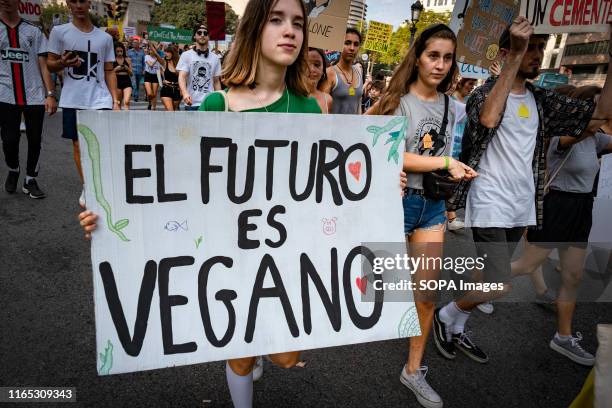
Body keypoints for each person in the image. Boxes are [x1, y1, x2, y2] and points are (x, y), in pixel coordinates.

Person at [81, 0, 320, 406]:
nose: (290, 31)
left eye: (298, 23)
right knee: (240, 356)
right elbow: (175, 181)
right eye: (277, 20)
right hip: (228, 251)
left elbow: (318, 183)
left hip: (283, 252)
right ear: (255, 30)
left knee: (286, 355)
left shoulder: (309, 108)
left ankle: (256, 347)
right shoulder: (216, 106)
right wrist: (103, 212)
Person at [441, 18, 611, 365]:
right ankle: (449, 313)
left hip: (522, 206)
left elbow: (602, 113)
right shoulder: (483, 92)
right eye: (529, 47)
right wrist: (515, 57)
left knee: (490, 278)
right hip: (488, 200)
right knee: (500, 284)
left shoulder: (541, 99)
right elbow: (488, 119)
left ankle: (456, 325)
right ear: (506, 53)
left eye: (538, 48)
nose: (537, 54)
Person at [370, 23, 477, 408]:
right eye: (434, 55)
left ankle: (413, 370)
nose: (441, 64)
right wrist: (445, 161)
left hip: (431, 207)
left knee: (426, 296)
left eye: (448, 58)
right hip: (395, 202)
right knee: (375, 283)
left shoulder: (454, 106)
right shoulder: (396, 99)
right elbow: (378, 144)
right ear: (418, 57)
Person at [510, 85, 612, 366]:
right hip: (557, 206)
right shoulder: (562, 137)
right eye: (594, 106)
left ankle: (563, 337)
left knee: (573, 277)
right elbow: (588, 128)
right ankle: (468, 296)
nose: (600, 112)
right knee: (526, 266)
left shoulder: (598, 141)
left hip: (581, 208)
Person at [47, 0, 118, 185]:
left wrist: (116, 101)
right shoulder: (59, 32)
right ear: (69, 4)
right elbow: (49, 64)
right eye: (74, 1)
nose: (78, 5)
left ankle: (102, 183)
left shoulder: (105, 38)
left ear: (89, 3)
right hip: (73, 99)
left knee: (102, 144)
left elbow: (109, 70)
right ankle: (88, 188)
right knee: (78, 145)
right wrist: (62, 63)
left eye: (82, 1)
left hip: (100, 99)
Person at [1, 0, 57, 198]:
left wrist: (50, 94)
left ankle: (30, 179)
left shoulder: (33, 31)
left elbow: (43, 66)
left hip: (34, 95)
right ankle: (13, 169)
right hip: (5, 95)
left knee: (35, 140)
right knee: (9, 140)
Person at [444, 77, 477, 234]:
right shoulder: (449, 100)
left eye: (474, 84)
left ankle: (448, 216)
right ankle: (450, 217)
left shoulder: (469, 101)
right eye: (470, 83)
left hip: (460, 146)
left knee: (451, 181)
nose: (472, 87)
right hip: (448, 144)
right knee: (447, 180)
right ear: (461, 83)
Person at [177, 24, 222, 111]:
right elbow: (182, 76)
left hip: (210, 103)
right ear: (195, 36)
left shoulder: (215, 58)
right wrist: (185, 93)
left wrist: (219, 99)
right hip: (191, 103)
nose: (202, 35)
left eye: (205, 33)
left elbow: (216, 82)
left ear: (208, 37)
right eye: (199, 32)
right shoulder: (186, 55)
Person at [321, 28, 363, 114]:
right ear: (339, 45)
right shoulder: (330, 73)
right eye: (347, 43)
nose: (352, 48)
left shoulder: (359, 71)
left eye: (356, 44)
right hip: (332, 127)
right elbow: (322, 108)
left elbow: (358, 106)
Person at [149, 42, 181, 111]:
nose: (165, 54)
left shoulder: (179, 64)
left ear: (172, 53)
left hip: (177, 90)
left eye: (167, 52)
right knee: (170, 111)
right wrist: (150, 43)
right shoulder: (164, 62)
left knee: (173, 112)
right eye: (165, 52)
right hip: (166, 89)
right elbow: (156, 54)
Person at [306, 47, 333, 113]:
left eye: (317, 65)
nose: (312, 69)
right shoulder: (289, 96)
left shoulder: (328, 100)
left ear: (323, 70)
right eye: (306, 64)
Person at [113, 42, 133, 110]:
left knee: (127, 101)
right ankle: (119, 118)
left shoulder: (127, 59)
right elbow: (109, 73)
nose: (119, 53)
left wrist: (127, 68)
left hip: (126, 80)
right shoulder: (112, 59)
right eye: (117, 51)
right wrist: (116, 68)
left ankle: (127, 118)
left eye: (121, 51)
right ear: (115, 51)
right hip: (117, 80)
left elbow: (131, 74)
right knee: (118, 103)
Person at [143, 43, 160, 110]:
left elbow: (160, 69)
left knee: (154, 94)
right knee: (150, 94)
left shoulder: (159, 58)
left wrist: (162, 78)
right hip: (148, 75)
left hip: (156, 75)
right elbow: (150, 65)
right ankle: (150, 102)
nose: (151, 51)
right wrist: (157, 59)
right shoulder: (147, 57)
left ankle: (154, 108)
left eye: (153, 50)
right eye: (150, 50)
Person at [127, 37, 145, 101]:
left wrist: (143, 70)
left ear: (138, 44)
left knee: (137, 84)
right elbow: (127, 61)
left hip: (139, 70)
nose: (134, 44)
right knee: (133, 83)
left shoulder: (142, 52)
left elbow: (143, 62)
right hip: (132, 70)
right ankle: (135, 95)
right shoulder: (129, 52)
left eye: (135, 43)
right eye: (133, 43)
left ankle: (136, 95)